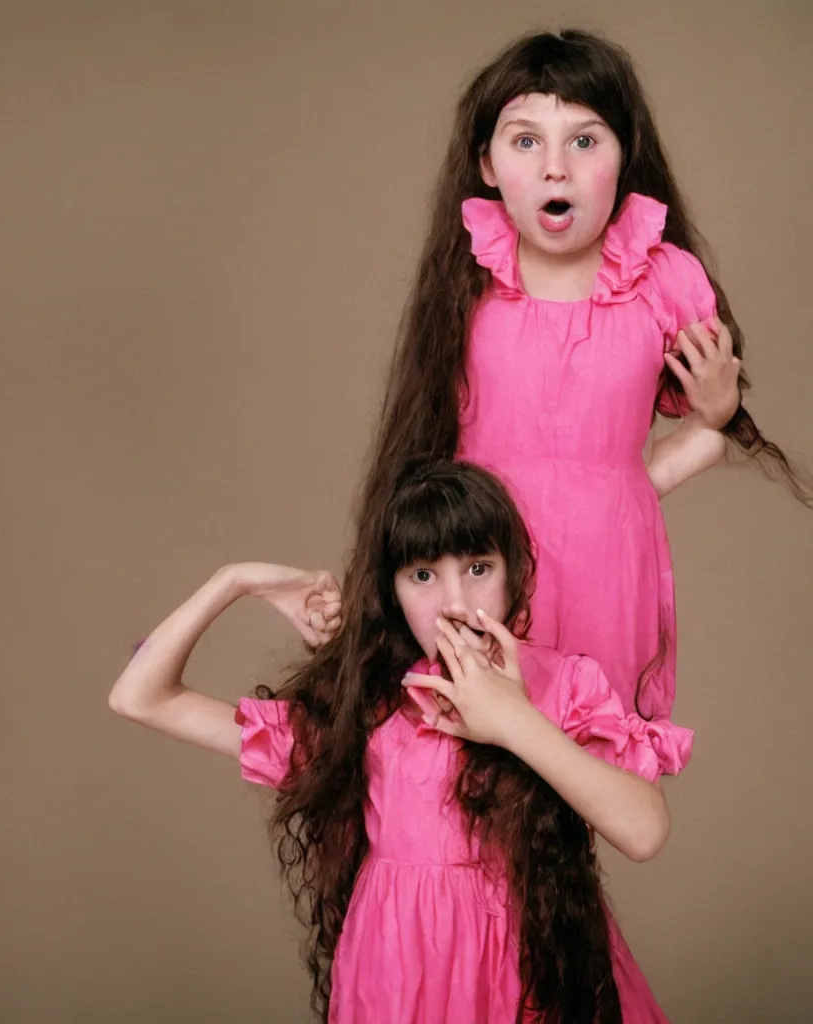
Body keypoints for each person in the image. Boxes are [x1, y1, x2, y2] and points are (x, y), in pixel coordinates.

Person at [109, 459, 692, 1023]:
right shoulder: (367, 709)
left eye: (479, 568)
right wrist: (233, 581)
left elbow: (645, 832)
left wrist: (513, 720)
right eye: (422, 575)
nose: (455, 602)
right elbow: (141, 696)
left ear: (515, 570)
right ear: (392, 591)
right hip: (397, 979)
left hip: (536, 972)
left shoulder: (563, 685)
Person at [355, 28, 809, 718]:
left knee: (586, 775)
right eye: (526, 140)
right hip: (483, 572)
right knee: (480, 779)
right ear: (486, 163)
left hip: (608, 573)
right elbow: (425, 446)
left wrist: (709, 417)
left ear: (626, 156)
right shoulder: (465, 282)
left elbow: (683, 440)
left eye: (585, 141)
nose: (555, 168)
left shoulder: (663, 280)